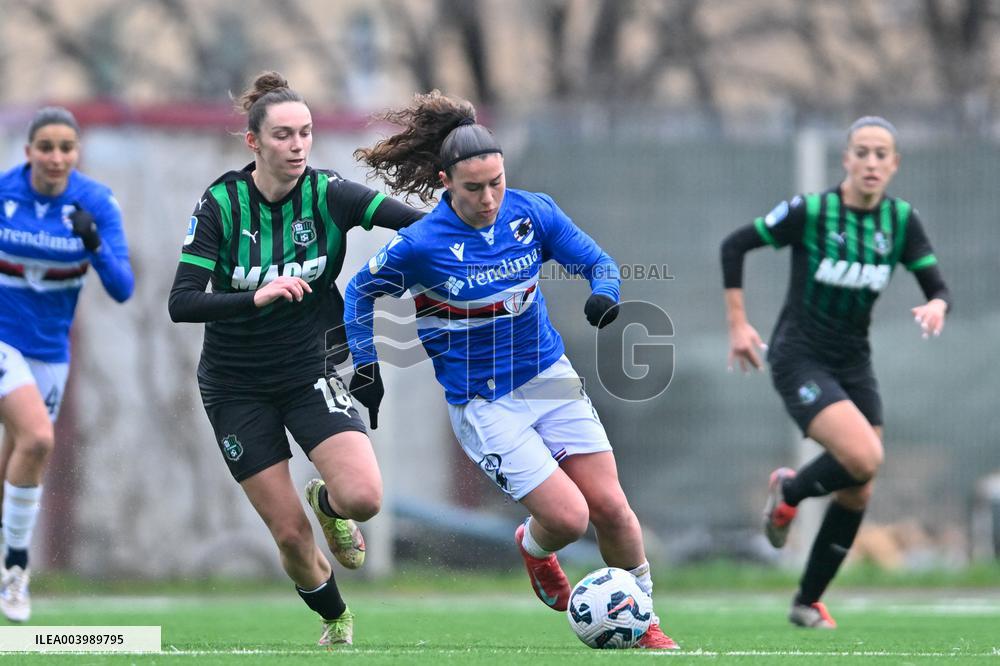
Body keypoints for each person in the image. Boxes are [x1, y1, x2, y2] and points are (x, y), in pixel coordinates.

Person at [343, 91, 679, 650]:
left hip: (548, 377)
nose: (489, 197)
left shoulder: (533, 213)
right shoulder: (421, 245)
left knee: (614, 510)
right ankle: (535, 546)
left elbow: (598, 262)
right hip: (483, 402)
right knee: (569, 520)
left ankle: (644, 623)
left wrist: (605, 294)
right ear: (445, 180)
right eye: (473, 187)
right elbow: (359, 294)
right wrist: (366, 365)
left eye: (496, 181)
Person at [167, 72, 422, 647]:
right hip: (234, 387)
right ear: (254, 141)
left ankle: (328, 505)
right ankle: (337, 619)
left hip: (308, 370)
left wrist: (470, 226)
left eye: (306, 133)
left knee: (364, 498)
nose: (298, 145)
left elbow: (416, 223)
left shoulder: (328, 193)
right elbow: (181, 303)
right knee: (287, 535)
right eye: (283, 135)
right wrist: (255, 295)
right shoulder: (221, 203)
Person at [720, 116, 951, 628]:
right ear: (846, 159)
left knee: (859, 485)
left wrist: (936, 305)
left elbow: (938, 285)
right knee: (866, 455)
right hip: (799, 355)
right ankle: (791, 492)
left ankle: (806, 600)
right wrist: (738, 325)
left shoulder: (901, 221)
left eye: (881, 154)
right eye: (862, 152)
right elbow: (734, 245)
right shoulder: (812, 211)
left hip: (854, 362)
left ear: (894, 164)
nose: (871, 162)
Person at [0, 106, 134, 621]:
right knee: (38, 439)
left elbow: (122, 289)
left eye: (66, 148)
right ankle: (16, 570)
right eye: (46, 147)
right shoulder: (6, 195)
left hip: (50, 352)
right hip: (3, 341)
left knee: (19, 458)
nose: (56, 157)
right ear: (29, 151)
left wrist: (93, 241)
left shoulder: (95, 202)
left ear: (76, 153)